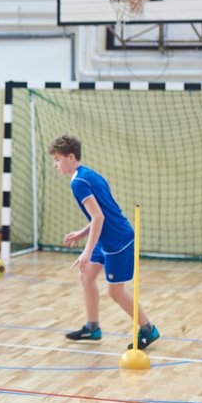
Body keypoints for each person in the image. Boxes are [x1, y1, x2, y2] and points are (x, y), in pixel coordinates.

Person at [48, 134, 160, 350]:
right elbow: (102, 214)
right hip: (104, 236)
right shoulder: (88, 174)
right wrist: (83, 233)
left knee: (115, 291)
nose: (55, 164)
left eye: (57, 159)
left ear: (71, 157)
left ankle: (148, 329)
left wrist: (87, 251)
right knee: (86, 276)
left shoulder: (79, 182)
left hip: (117, 240)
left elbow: (99, 217)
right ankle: (92, 328)